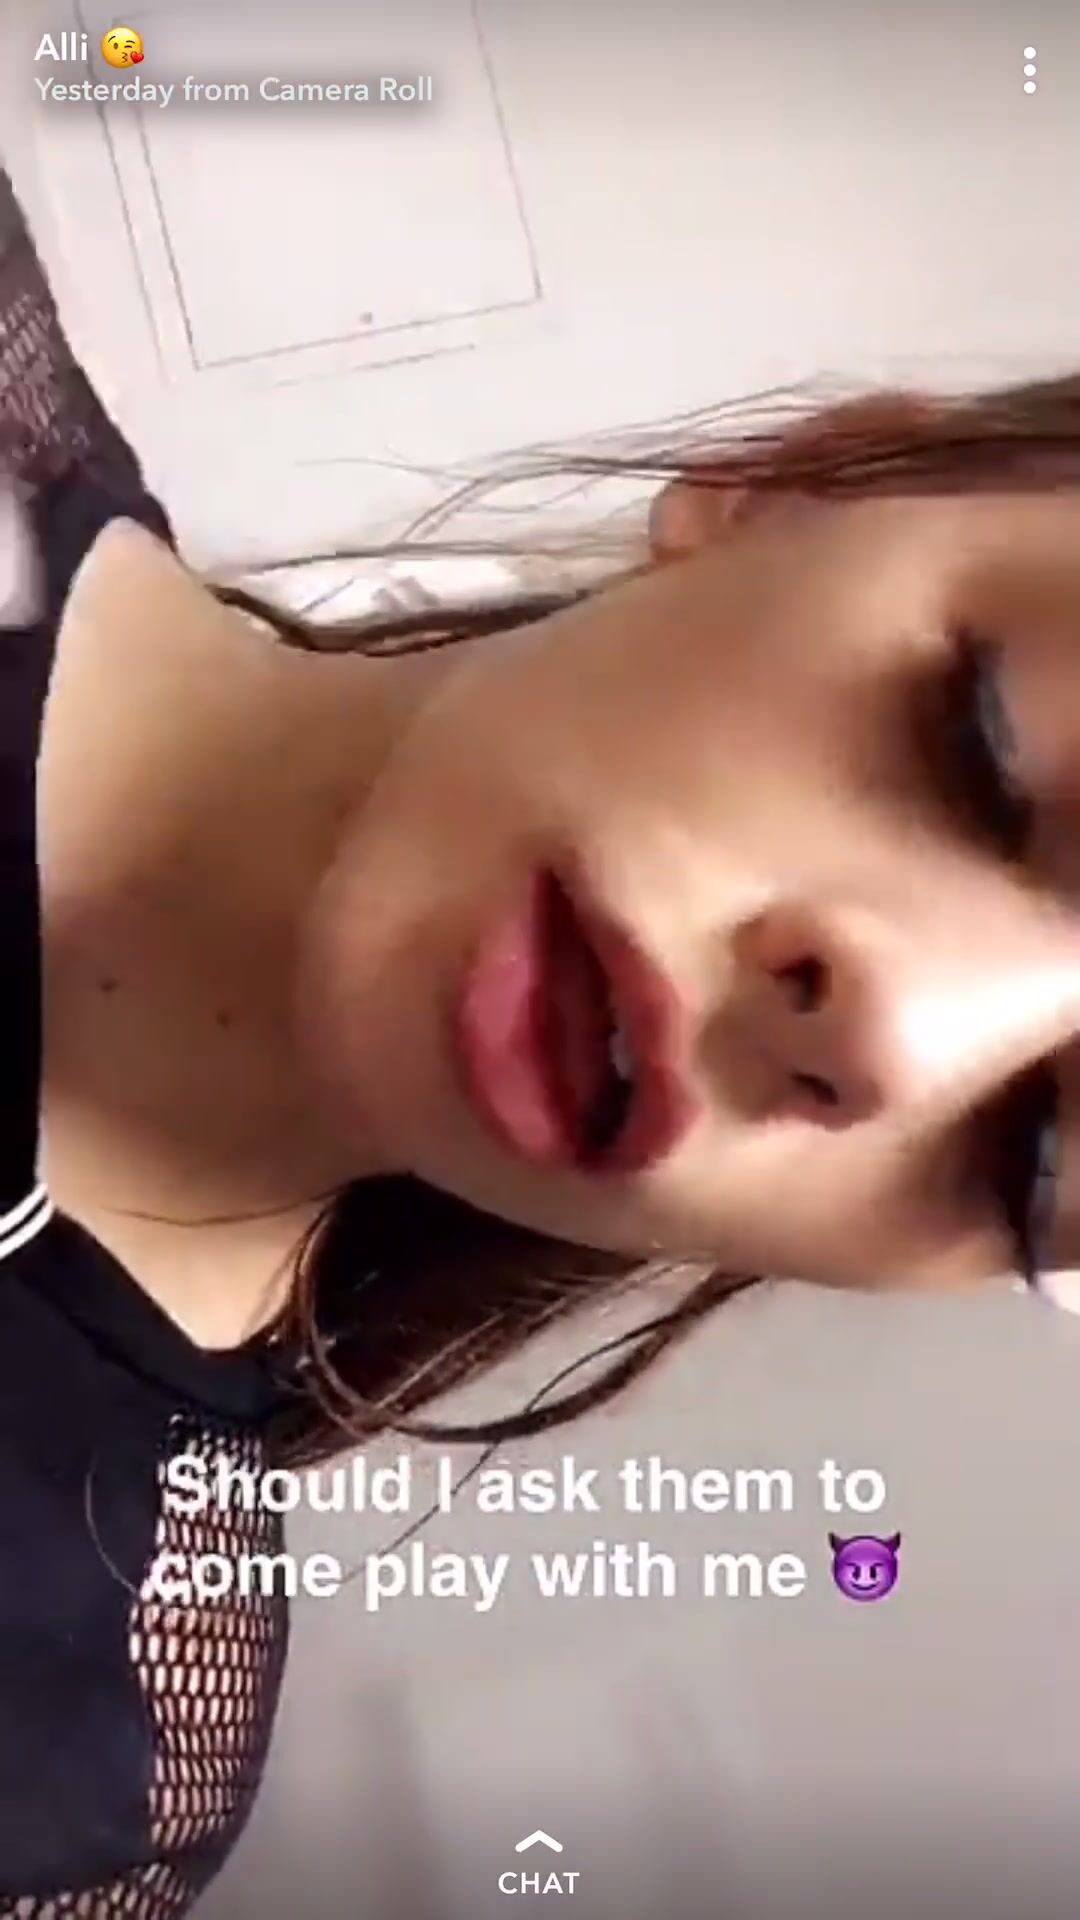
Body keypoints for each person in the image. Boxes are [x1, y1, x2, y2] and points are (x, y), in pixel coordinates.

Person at [2, 157, 1079, 1913]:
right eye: (985, 748)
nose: (891, 1039)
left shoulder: (81, 1753)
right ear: (810, 484)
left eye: (1028, 1165)